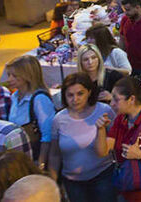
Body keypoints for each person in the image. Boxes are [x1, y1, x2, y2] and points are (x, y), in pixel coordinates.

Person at [48, 73, 115, 202]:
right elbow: (55, 155)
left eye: (80, 94)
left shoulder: (104, 111)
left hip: (103, 176)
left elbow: (117, 139)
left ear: (89, 92)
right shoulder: (59, 119)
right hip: (73, 182)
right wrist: (53, 181)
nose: (75, 99)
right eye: (70, 95)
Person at [4, 55, 55, 167]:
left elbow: (48, 135)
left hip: (34, 158)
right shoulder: (14, 97)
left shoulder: (39, 99)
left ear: (27, 76)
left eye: (15, 76)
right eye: (9, 75)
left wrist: (41, 163)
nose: (9, 79)